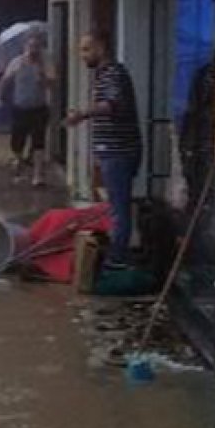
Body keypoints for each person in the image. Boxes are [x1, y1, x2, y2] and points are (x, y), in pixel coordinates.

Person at [65, 31, 143, 269]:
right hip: (113, 151)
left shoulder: (113, 73)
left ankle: (117, 259)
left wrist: (81, 115)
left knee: (119, 208)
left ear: (100, 47)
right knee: (116, 206)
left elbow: (111, 104)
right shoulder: (106, 74)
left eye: (86, 49)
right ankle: (117, 254)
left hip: (118, 152)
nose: (82, 55)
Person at [0, 34, 55, 186]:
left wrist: (42, 75)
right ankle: (19, 160)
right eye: (30, 46)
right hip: (20, 107)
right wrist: (0, 99)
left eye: (36, 47)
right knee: (17, 140)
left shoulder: (46, 64)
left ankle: (38, 175)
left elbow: (51, 84)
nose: (33, 50)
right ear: (25, 48)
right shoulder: (17, 62)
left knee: (38, 141)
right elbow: (4, 80)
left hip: (39, 107)